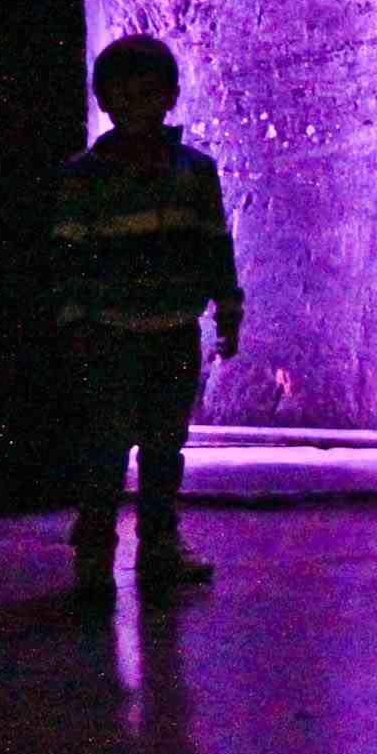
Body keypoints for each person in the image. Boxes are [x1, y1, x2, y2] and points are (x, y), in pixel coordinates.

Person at [54, 33, 242, 602]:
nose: (137, 108)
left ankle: (158, 544)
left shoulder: (195, 172)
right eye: (125, 97)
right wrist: (75, 323)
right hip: (109, 334)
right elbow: (70, 259)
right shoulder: (84, 177)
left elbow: (214, 244)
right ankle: (96, 549)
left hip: (173, 331)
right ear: (105, 102)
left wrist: (228, 306)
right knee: (105, 447)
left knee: (165, 445)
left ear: (170, 97)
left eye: (149, 95)